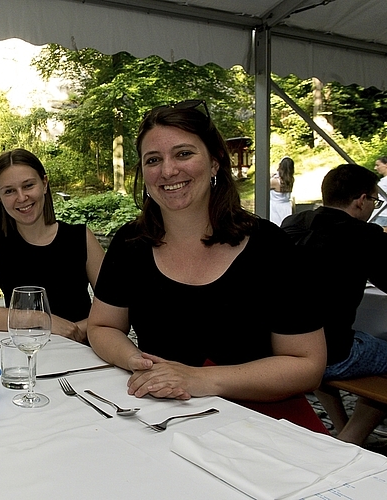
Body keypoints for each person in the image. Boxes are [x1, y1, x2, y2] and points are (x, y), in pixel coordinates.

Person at [87, 100, 327, 430]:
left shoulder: (269, 246)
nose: (168, 170)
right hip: (168, 420)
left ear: (214, 163)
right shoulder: (131, 243)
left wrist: (200, 379)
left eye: (183, 154)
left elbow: (308, 365)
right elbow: (102, 326)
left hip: (265, 425)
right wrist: (135, 360)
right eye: (153, 160)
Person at [281, 163, 387, 445]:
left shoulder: (293, 224)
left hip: (286, 346)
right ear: (361, 199)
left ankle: (339, 429)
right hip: (332, 352)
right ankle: (351, 440)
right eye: (374, 200)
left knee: (328, 345)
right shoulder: (364, 235)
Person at [0, 148, 104, 343]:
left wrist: (76, 331)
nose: (22, 197)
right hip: (24, 351)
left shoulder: (81, 237)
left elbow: (117, 310)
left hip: (82, 350)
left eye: (28, 185)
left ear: (45, 183)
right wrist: (41, 319)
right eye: (9, 191)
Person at [269, 156, 295, 226]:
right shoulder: (291, 180)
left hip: (275, 209)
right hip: (286, 208)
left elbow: (263, 186)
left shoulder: (275, 181)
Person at [373, 156, 387, 227]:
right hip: (378, 214)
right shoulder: (382, 181)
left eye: (378, 165)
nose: (375, 168)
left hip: (384, 215)